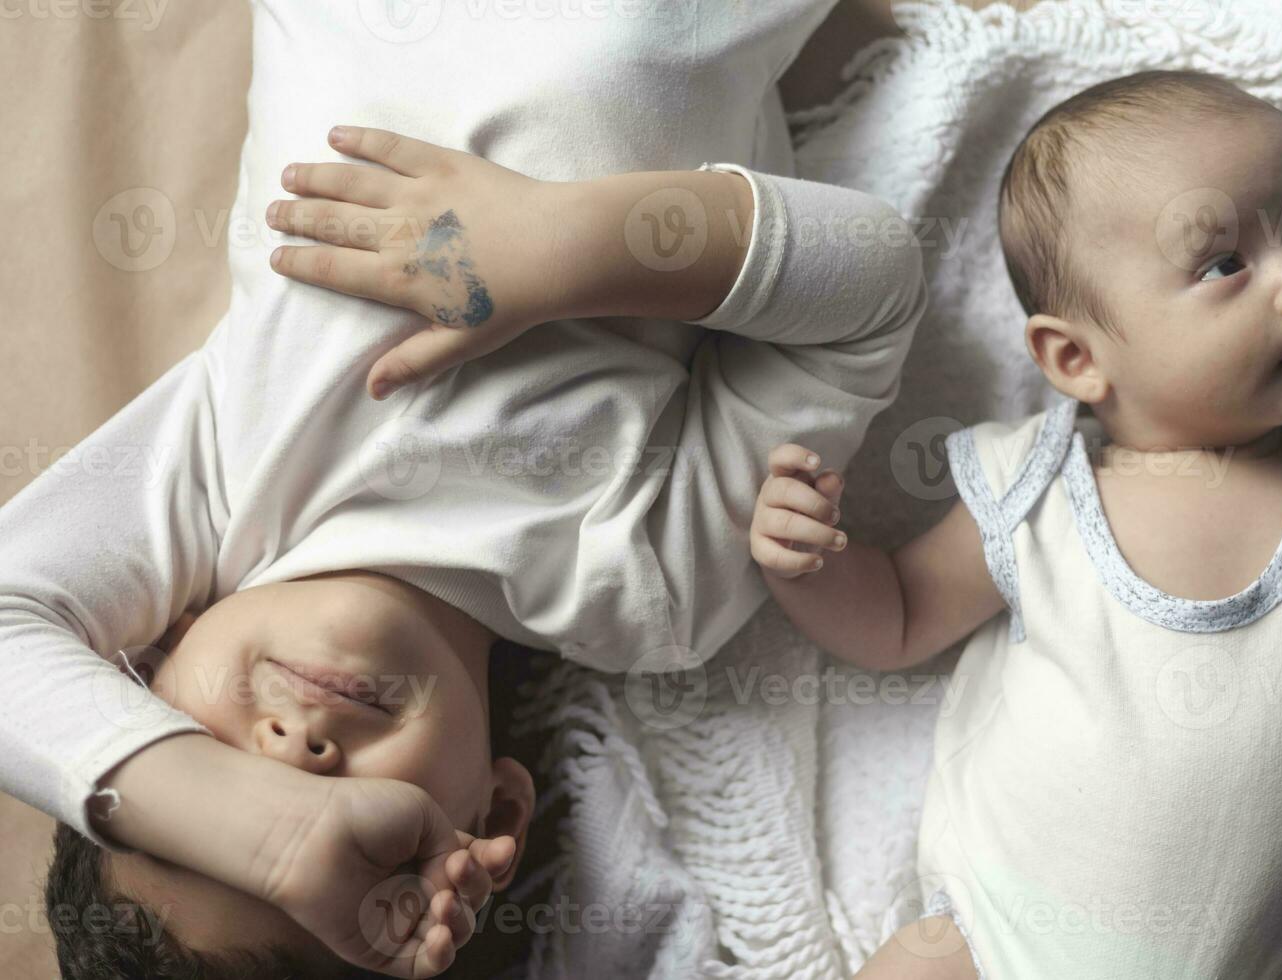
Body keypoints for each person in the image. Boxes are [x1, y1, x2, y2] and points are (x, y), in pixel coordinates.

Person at [1, 3, 928, 977]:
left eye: (224, 795)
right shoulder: (644, 587)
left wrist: (273, 838)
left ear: (137, 660)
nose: (297, 754)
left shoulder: (227, 486)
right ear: (493, 814)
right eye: (358, 840)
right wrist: (571, 242)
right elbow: (872, 288)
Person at [749, 69, 1282, 979]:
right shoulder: (1040, 491)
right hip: (992, 943)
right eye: (1223, 265)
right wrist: (808, 561)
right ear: (1076, 358)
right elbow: (893, 618)